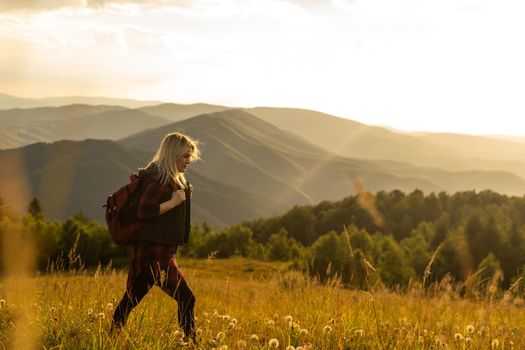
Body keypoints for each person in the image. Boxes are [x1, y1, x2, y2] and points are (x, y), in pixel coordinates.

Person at [111, 132, 201, 340]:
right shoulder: (158, 181)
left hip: (162, 253)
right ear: (173, 155)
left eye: (189, 157)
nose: (188, 161)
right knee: (183, 298)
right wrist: (172, 203)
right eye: (185, 157)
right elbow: (143, 211)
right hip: (152, 255)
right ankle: (191, 342)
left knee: (133, 299)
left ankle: (190, 342)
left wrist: (181, 197)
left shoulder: (170, 180)